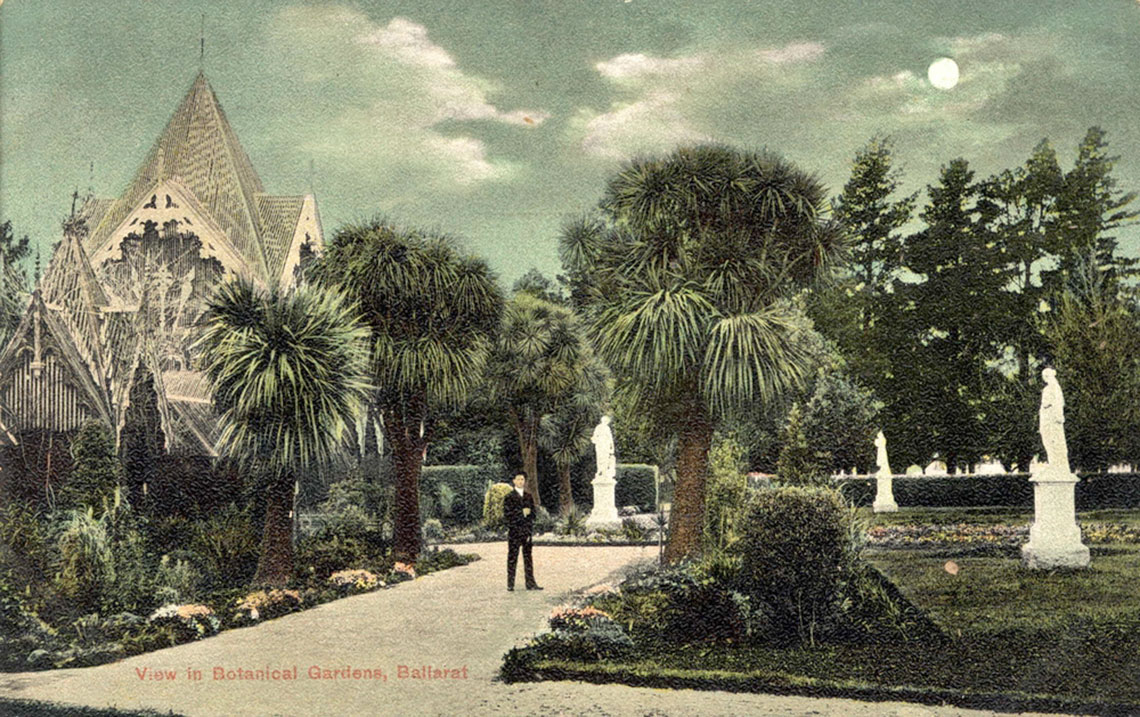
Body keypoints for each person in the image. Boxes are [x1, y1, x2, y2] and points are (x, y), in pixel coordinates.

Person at [503, 472, 542, 591]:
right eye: (518, 479)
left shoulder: (528, 496)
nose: (521, 481)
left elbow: (533, 514)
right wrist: (522, 513)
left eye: (523, 479)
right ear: (514, 481)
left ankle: (530, 583)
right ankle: (510, 584)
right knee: (512, 558)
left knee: (528, 558)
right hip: (514, 533)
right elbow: (507, 515)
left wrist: (529, 529)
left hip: (526, 532)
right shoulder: (509, 497)